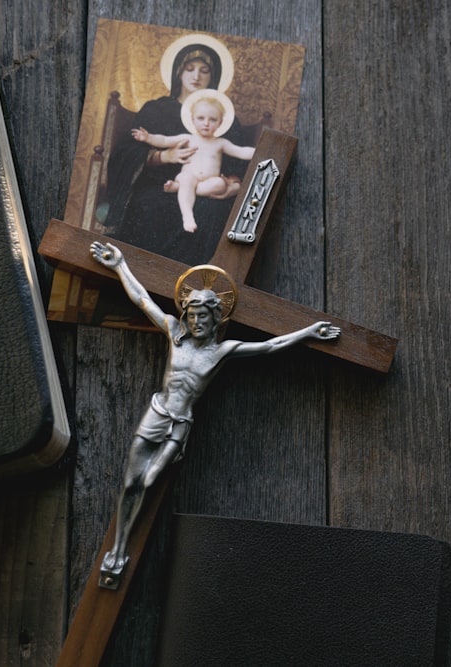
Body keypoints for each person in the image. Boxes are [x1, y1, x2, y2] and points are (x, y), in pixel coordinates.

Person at [89, 240, 340, 588]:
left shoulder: (223, 351)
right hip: (157, 414)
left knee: (148, 482)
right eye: (191, 315)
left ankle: (122, 548)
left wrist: (310, 332)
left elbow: (270, 346)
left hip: (180, 426)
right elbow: (141, 298)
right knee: (130, 482)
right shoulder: (174, 334)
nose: (195, 322)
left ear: (215, 318)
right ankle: (117, 551)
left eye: (202, 317)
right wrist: (119, 265)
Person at [105, 41, 251, 265]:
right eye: (189, 68)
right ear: (178, 73)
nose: (196, 76)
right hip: (158, 186)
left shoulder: (226, 121)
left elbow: (239, 164)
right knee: (149, 206)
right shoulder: (156, 109)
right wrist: (164, 156)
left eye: (205, 71)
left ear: (214, 77)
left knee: (214, 212)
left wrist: (231, 188)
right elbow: (125, 152)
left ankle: (190, 284)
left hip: (206, 193)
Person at [131, 93, 255, 233]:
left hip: (206, 183)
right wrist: (148, 138)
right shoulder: (188, 138)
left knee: (220, 184)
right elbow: (164, 140)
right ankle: (187, 216)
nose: (206, 123)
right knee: (187, 179)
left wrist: (260, 152)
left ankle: (179, 189)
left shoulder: (221, 143)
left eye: (213, 119)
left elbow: (241, 151)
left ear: (220, 122)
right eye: (201, 118)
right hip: (188, 177)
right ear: (192, 119)